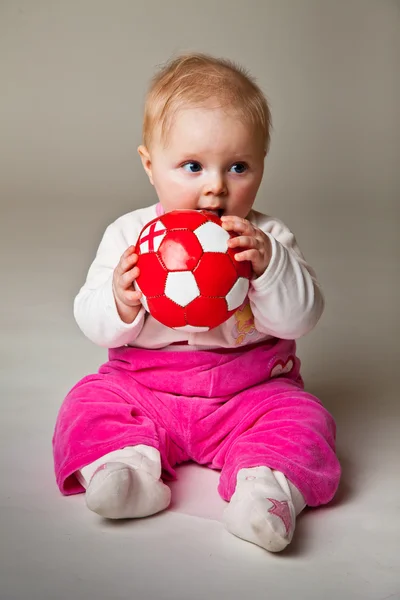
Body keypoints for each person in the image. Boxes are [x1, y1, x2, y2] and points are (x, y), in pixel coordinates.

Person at [52, 53, 341, 553]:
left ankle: (265, 493)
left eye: (238, 166)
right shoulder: (128, 235)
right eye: (192, 166)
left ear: (262, 167)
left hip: (248, 396)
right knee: (87, 404)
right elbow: (94, 324)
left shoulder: (267, 236)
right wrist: (120, 301)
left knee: (303, 419)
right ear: (149, 165)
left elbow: (303, 316)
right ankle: (124, 468)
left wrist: (269, 267)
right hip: (144, 390)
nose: (216, 187)